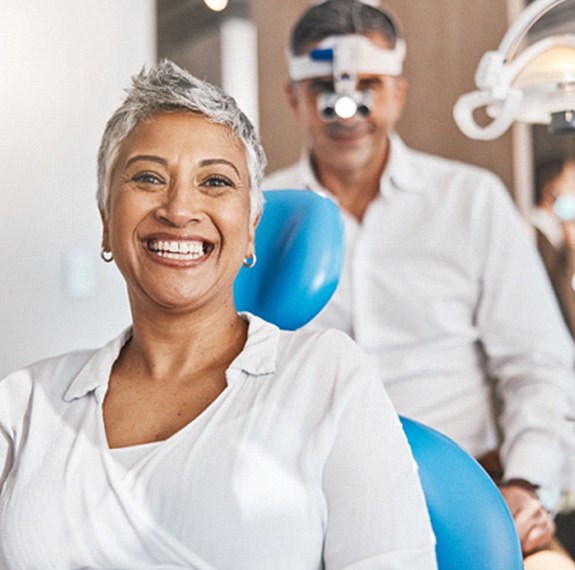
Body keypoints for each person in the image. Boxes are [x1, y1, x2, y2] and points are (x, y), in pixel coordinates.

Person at [0, 60, 437, 569]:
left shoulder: (325, 375)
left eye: (215, 182)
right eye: (147, 177)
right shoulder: (25, 404)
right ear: (105, 220)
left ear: (252, 227)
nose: (179, 209)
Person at [263, 0, 575, 565]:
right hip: (314, 505)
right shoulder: (260, 217)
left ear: (399, 93)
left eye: (369, 85)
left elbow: (539, 362)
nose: (347, 107)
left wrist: (528, 485)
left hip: (474, 491)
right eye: (324, 90)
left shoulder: (471, 201)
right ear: (293, 98)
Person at [532, 157, 575, 340]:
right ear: (550, 192)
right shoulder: (533, 235)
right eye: (571, 188)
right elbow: (560, 291)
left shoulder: (558, 232)